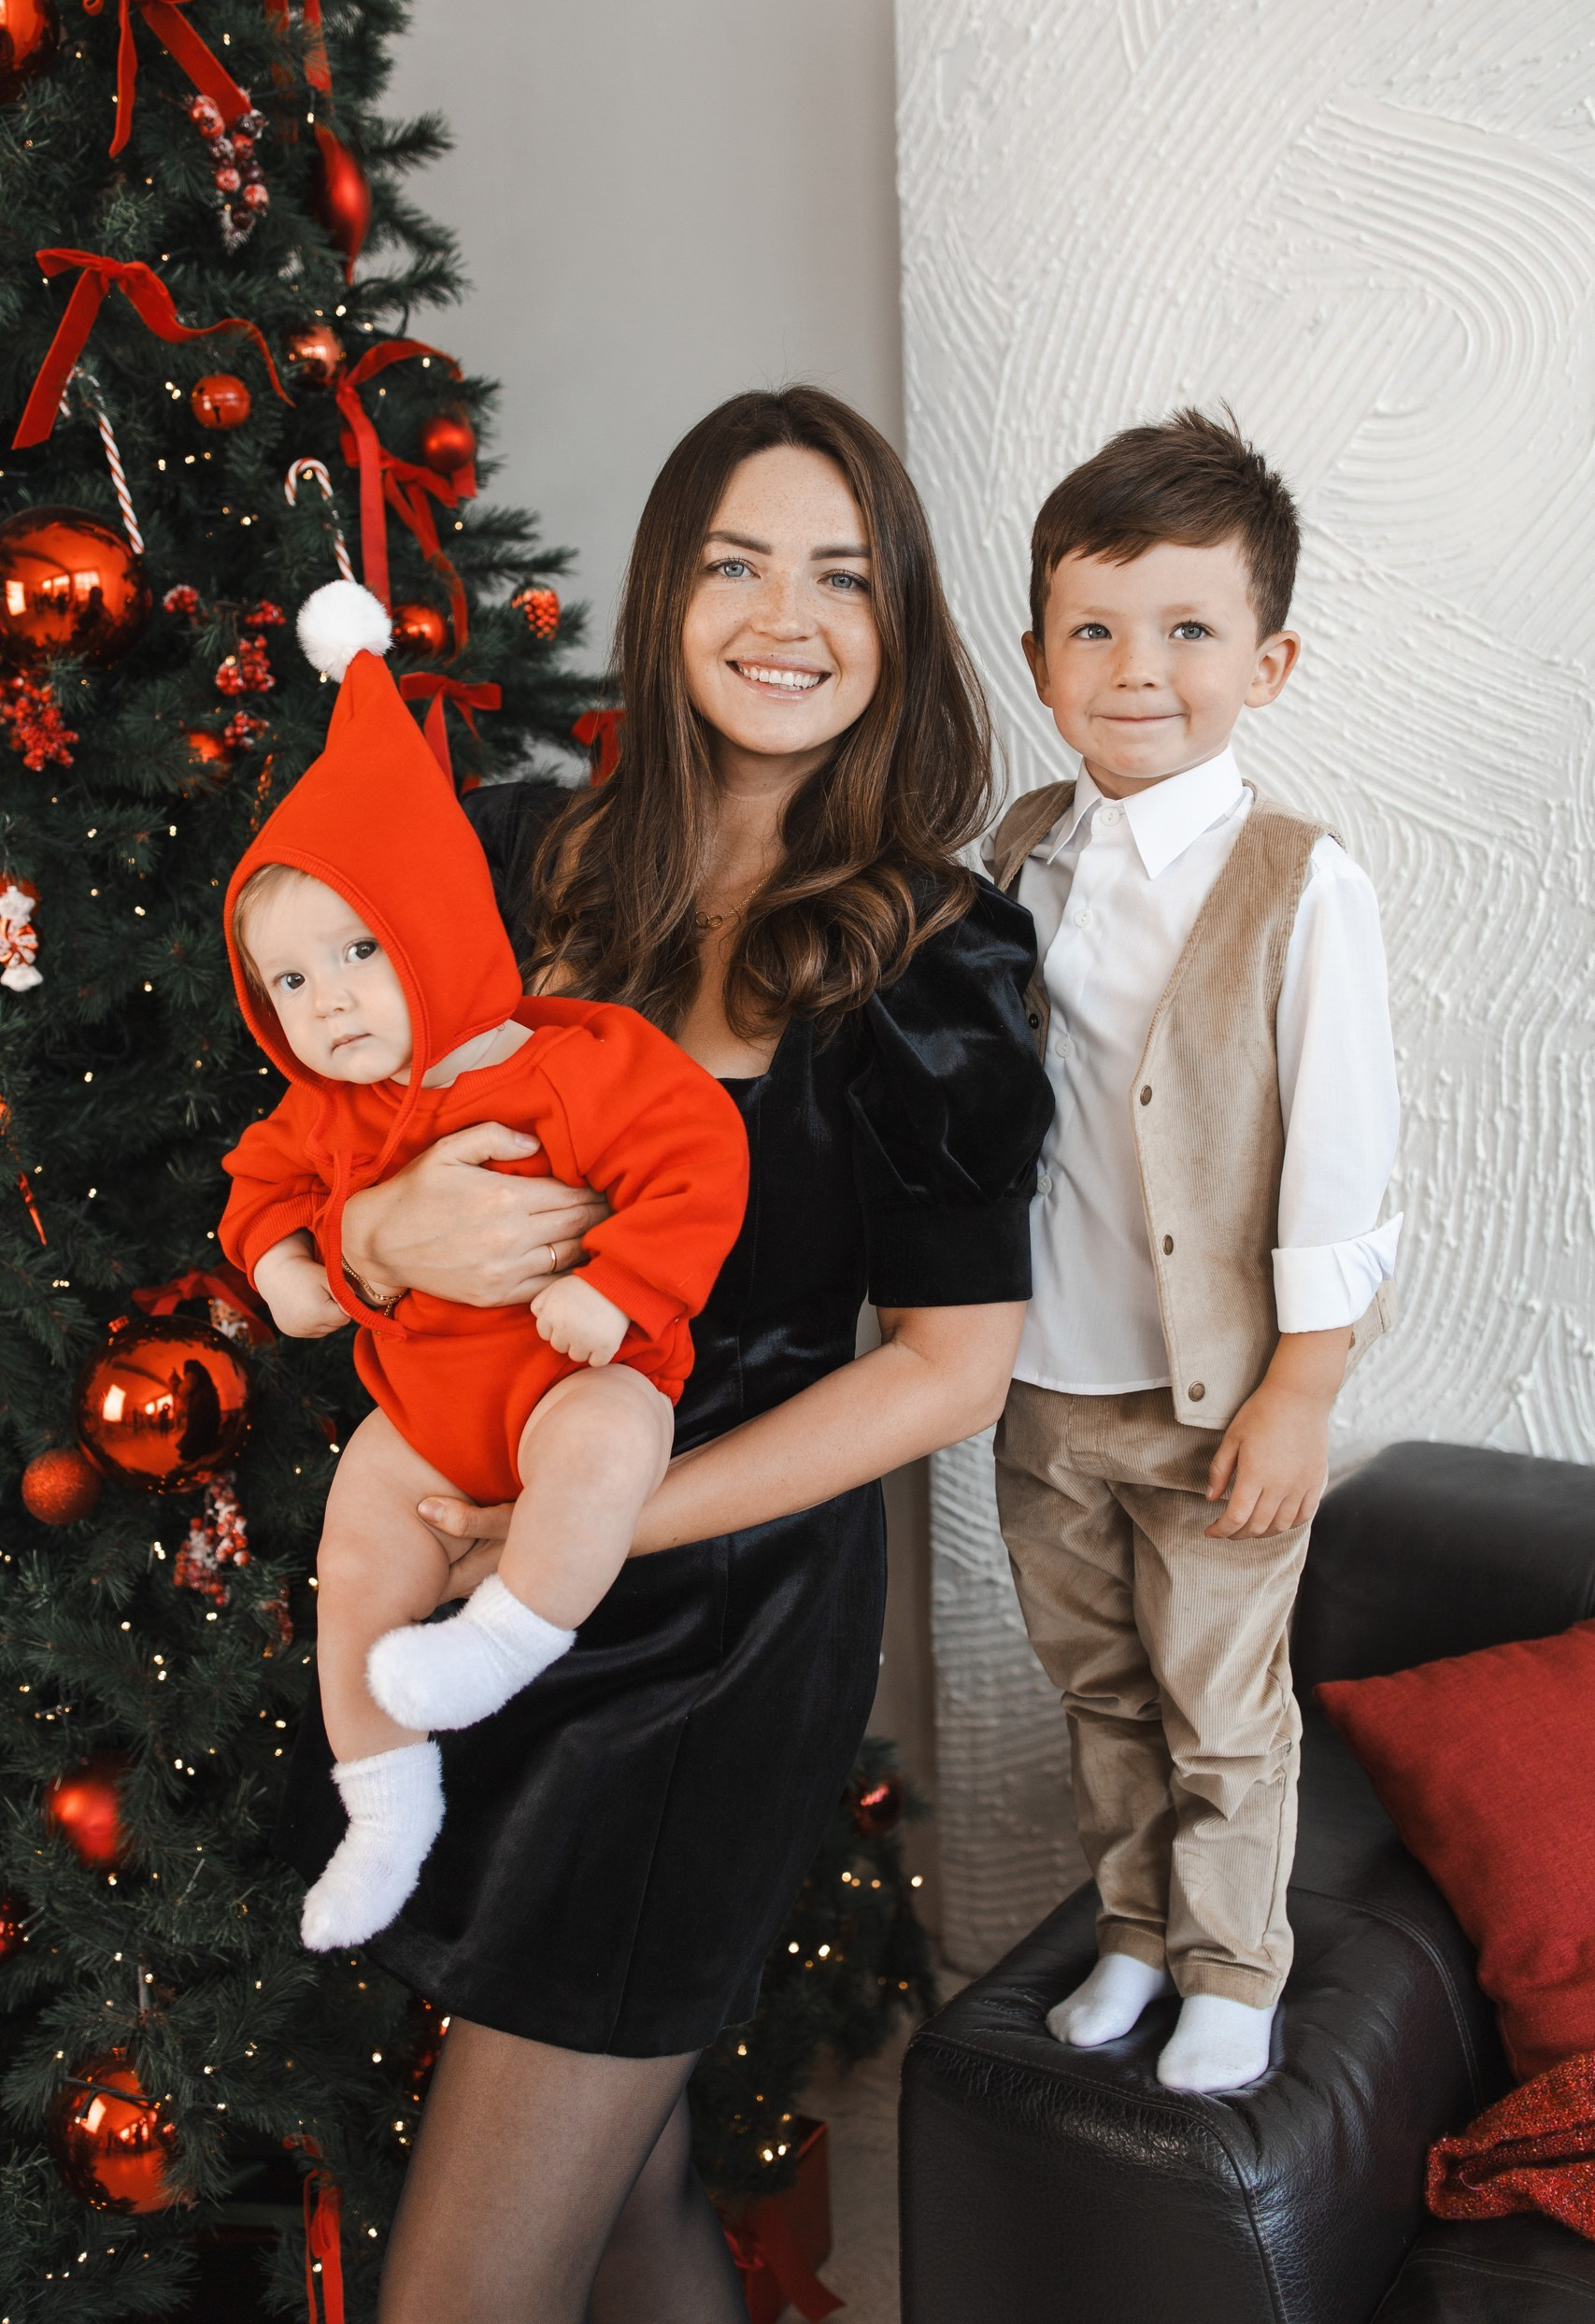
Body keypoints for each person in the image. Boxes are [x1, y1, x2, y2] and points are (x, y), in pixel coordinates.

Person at [270, 385, 1055, 2322]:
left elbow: (947, 1370)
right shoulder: (520, 857)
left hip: (714, 1637)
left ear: (896, 622)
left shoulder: (931, 955)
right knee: (624, 2203)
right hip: (481, 1561)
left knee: (466, 2286)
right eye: (735, 565)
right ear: (666, 591)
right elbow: (332, 1130)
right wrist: (376, 1236)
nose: (784, 619)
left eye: (840, 577)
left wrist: (601, 1527)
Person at [219, 621, 748, 1952]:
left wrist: (619, 1287)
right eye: (290, 982)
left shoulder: (574, 1062)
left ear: (437, 932)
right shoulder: (323, 1109)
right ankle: (385, 1806)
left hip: (578, 1376)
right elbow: (256, 1183)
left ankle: (507, 1636)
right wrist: (285, 1263)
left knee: (606, 1439)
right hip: (428, 1415)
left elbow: (698, 1158)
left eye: (360, 952)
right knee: (355, 1553)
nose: (328, 1004)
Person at [986, 406, 1401, 2096]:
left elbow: (1346, 1161)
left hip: (1215, 1398)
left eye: (1186, 630)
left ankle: (1234, 1963)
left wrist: (1305, 1387)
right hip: (1045, 1379)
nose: (1136, 669)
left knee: (1222, 1703)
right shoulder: (1018, 853)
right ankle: (1138, 1932)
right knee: (1099, 1686)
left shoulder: (1301, 885)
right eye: (1092, 630)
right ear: (1039, 659)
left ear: (1267, 661)